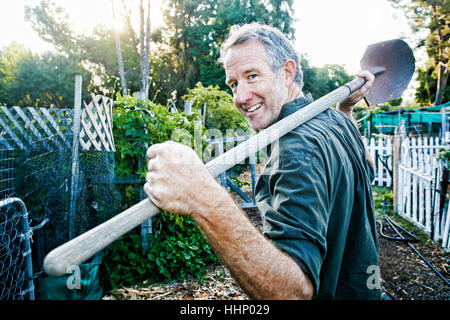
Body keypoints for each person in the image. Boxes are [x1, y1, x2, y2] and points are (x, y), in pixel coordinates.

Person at [143, 23, 381, 300]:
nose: (240, 97)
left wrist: (205, 199)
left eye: (252, 76)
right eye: (234, 84)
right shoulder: (336, 120)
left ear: (287, 73)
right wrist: (347, 109)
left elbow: (292, 293)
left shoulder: (295, 149)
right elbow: (368, 169)